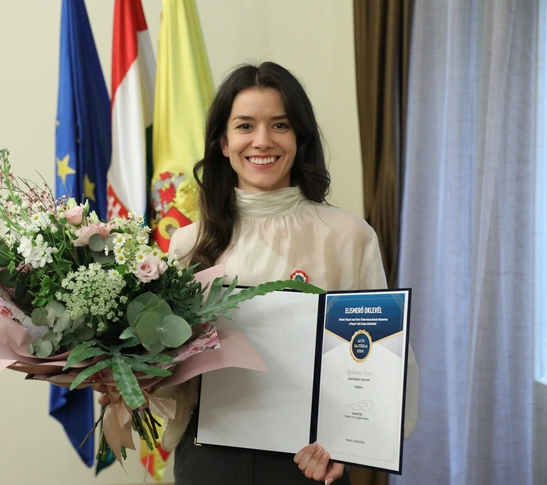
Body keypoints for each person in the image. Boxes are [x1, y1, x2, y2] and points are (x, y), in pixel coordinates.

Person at [161, 61, 419, 484]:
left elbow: (379, 361)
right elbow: (173, 377)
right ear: (223, 142)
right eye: (245, 126)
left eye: (280, 125)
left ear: (299, 137)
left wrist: (348, 447)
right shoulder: (189, 243)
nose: (262, 140)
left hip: (309, 464)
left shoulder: (347, 236)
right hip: (209, 462)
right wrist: (124, 376)